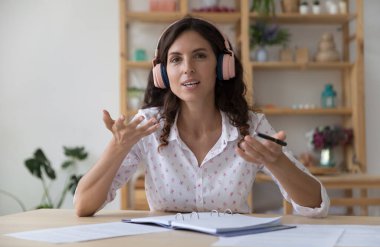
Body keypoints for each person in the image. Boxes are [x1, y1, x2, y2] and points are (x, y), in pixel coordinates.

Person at [74, 17, 329, 217]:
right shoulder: (147, 125)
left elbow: (316, 206)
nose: (188, 68)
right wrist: (117, 148)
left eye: (200, 55)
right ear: (162, 74)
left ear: (222, 66)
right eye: (176, 59)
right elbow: (83, 206)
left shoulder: (250, 126)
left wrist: (278, 162)